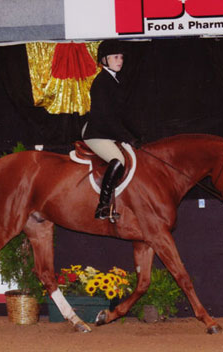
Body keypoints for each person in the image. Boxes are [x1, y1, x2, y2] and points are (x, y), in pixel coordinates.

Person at [82, 39, 139, 221]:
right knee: (119, 160)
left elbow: (122, 115)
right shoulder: (101, 83)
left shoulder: (115, 81)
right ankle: (103, 205)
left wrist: (137, 135)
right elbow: (106, 117)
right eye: (115, 57)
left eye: (121, 57)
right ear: (104, 60)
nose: (120, 60)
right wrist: (126, 137)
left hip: (108, 131)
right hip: (97, 133)